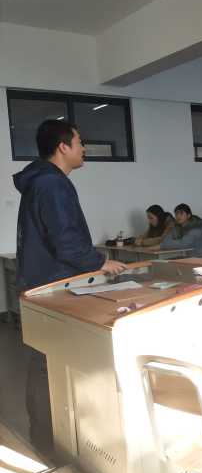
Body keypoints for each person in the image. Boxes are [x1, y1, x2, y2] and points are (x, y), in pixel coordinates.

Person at [14, 119, 126, 455]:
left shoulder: (41, 181)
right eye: (80, 142)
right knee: (50, 365)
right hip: (55, 286)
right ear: (63, 147)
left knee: (46, 361)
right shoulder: (52, 184)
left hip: (42, 284)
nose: (84, 148)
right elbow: (67, 242)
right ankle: (51, 441)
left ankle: (48, 438)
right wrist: (99, 262)